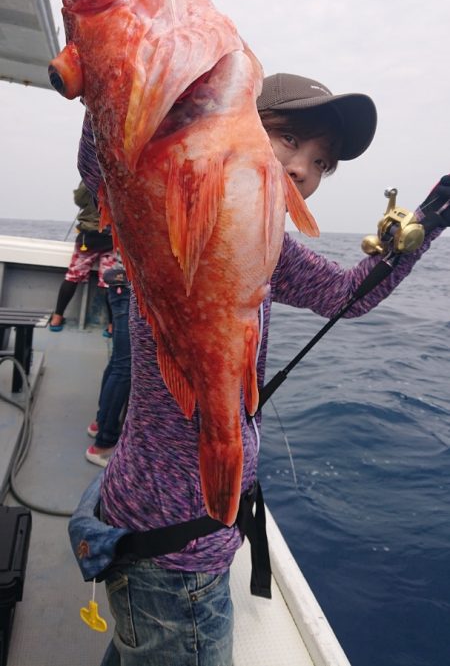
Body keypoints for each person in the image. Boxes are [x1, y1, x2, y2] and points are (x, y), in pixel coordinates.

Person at [73, 69, 448, 666]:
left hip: (197, 531)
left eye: (323, 164)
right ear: (237, 125)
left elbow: (342, 295)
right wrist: (125, 62)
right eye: (291, 139)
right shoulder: (173, 205)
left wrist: (420, 232)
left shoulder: (269, 237)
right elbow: (104, 161)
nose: (305, 169)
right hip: (173, 551)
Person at [49, 181, 117, 334]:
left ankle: (57, 317)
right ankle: (112, 326)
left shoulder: (90, 173)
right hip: (111, 239)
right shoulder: (119, 174)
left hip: (88, 238)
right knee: (109, 282)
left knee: (73, 276)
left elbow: (79, 200)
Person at [86, 265, 132, 467]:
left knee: (118, 363)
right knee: (125, 368)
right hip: (129, 292)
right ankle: (104, 444)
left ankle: (101, 422)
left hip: (121, 287)